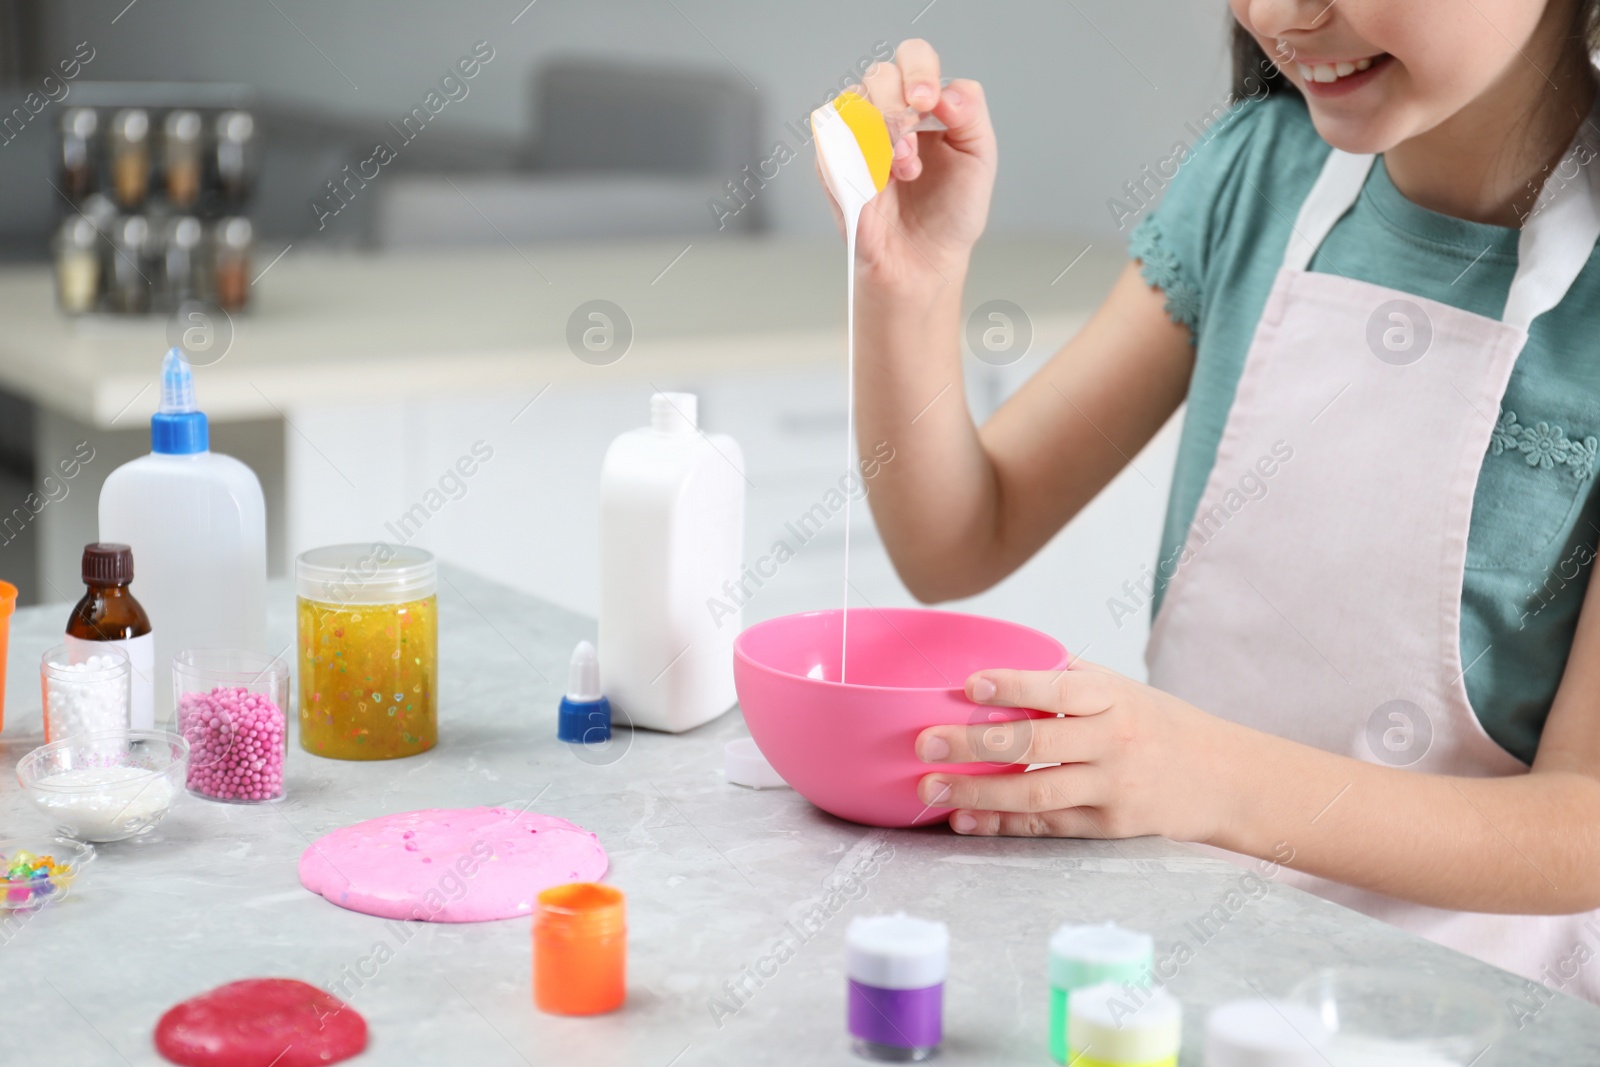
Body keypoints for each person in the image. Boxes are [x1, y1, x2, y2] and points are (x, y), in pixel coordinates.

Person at [833, 1, 1600, 1000]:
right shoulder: (1252, 181)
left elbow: (1579, 824)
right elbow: (957, 536)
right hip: (1182, 972)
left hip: (1469, 1012)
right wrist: (912, 285)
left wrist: (1197, 774)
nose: (1279, 14)